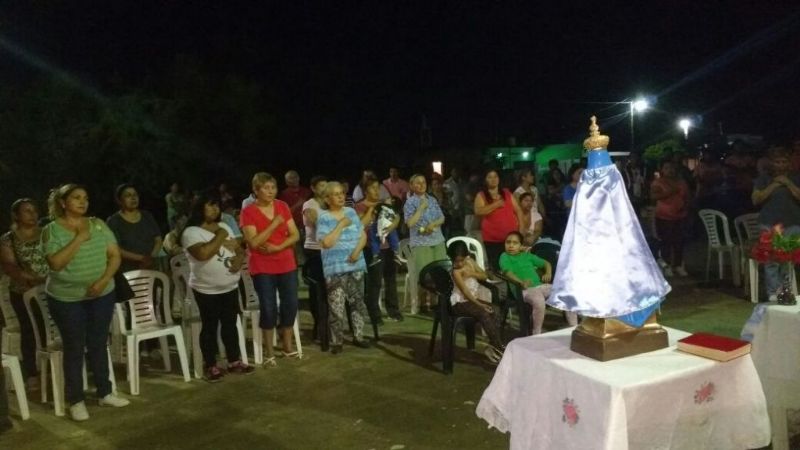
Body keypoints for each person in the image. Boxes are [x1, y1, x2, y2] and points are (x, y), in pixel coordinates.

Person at [42, 184, 130, 421]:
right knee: (74, 346)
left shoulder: (99, 225)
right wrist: (79, 237)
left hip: (101, 293)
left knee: (99, 342)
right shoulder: (51, 230)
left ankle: (105, 392)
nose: (83, 202)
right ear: (63, 203)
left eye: (86, 198)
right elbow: (56, 264)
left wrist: (102, 281)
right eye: (76, 198)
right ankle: (76, 400)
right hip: (67, 299)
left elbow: (114, 256)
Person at [180, 192, 253, 382]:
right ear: (199, 208)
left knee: (230, 323)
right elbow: (203, 253)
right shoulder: (191, 232)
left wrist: (238, 259)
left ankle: (234, 360)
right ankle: (210, 364)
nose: (215, 209)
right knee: (210, 326)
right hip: (206, 289)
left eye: (217, 205)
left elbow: (239, 249)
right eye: (210, 205)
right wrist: (220, 235)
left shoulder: (224, 225)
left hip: (229, 285)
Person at [240, 173, 301, 367]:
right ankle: (268, 352)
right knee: (268, 308)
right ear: (256, 190)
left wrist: (279, 247)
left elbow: (295, 234)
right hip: (262, 266)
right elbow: (254, 242)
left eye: (273, 187)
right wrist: (274, 224)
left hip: (286, 262)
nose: (270, 191)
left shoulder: (282, 206)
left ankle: (287, 347)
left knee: (290, 303)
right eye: (266, 188)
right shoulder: (248, 211)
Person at [316, 182, 371, 353]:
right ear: (327, 198)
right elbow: (326, 242)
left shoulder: (351, 212)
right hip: (336, 268)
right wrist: (340, 225)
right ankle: (337, 341)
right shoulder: (323, 217)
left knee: (357, 302)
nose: (341, 196)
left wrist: (356, 251)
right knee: (336, 306)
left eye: (342, 193)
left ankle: (359, 336)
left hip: (356, 264)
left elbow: (362, 235)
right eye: (336, 194)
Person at [0, 198, 49, 390]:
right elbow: (10, 267)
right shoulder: (8, 239)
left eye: (34, 210)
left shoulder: (46, 234)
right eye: (27, 211)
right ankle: (32, 373)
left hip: (49, 289)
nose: (32, 214)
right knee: (29, 330)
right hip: (23, 292)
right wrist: (32, 278)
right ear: (16, 216)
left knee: (50, 329)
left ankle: (50, 367)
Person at [499, 231, 577, 335]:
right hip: (523, 290)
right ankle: (536, 333)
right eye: (508, 242)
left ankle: (574, 328)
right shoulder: (504, 257)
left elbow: (546, 263)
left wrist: (548, 273)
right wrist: (521, 282)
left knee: (566, 293)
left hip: (539, 286)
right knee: (539, 299)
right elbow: (508, 273)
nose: (511, 245)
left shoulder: (527, 256)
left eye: (515, 243)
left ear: (521, 246)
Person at [752, 146, 800, 300]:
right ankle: (773, 291)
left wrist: (787, 183)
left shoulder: (796, 177)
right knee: (771, 259)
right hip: (768, 222)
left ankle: (786, 290)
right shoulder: (764, 178)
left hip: (792, 223)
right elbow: (756, 199)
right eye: (777, 161)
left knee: (787, 259)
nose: (780, 164)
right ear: (772, 163)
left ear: (789, 162)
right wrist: (774, 185)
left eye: (783, 161)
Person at [448, 240, 504, 364]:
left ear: (466, 256)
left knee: (496, 309)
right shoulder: (455, 272)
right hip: (460, 302)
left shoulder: (470, 262)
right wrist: (481, 304)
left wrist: (472, 273)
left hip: (473, 300)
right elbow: (465, 292)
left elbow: (484, 276)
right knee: (483, 313)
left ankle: (492, 347)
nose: (459, 263)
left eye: (461, 260)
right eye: (456, 261)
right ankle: (499, 347)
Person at [355, 177, 403, 323]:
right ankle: (374, 314)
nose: (377, 191)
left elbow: (396, 216)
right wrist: (372, 209)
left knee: (390, 279)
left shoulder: (384, 204)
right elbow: (360, 224)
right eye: (373, 188)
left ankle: (393, 310)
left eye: (378, 187)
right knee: (374, 281)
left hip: (387, 246)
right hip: (371, 248)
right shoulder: (359, 206)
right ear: (365, 191)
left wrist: (391, 226)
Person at [404, 174, 447, 312]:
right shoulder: (410, 202)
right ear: (411, 186)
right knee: (424, 275)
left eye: (423, 182)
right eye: (418, 183)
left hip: (437, 240)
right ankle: (423, 304)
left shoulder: (432, 199)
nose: (422, 185)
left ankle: (437, 303)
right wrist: (421, 208)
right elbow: (410, 223)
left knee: (440, 273)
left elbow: (442, 218)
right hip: (421, 243)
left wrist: (433, 224)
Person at [474, 169, 524, 270]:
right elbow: (478, 211)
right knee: (498, 268)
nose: (493, 179)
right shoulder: (481, 195)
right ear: (485, 180)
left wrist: (521, 230)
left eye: (495, 176)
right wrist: (496, 204)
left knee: (514, 266)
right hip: (492, 240)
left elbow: (518, 210)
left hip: (511, 238)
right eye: (490, 177)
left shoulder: (506, 193)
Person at [106, 184, 162, 273]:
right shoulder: (113, 221)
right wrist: (141, 258)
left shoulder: (147, 216)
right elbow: (116, 249)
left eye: (135, 195)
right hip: (129, 270)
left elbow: (158, 239)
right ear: (119, 200)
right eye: (128, 195)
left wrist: (152, 257)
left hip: (152, 266)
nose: (133, 198)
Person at [650, 161, 690, 277]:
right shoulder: (657, 183)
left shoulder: (681, 182)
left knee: (679, 242)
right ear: (662, 170)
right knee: (666, 242)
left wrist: (686, 209)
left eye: (672, 168)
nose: (670, 170)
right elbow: (653, 197)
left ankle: (678, 265)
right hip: (664, 217)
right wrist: (670, 192)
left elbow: (687, 197)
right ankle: (666, 265)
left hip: (680, 216)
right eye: (667, 168)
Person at [302, 175, 328, 341]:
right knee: (317, 290)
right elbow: (317, 223)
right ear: (313, 188)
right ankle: (318, 326)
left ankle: (329, 325)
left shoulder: (330, 203)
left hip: (330, 250)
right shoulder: (309, 204)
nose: (324, 189)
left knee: (330, 290)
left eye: (327, 185)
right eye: (321, 186)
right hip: (314, 251)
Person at [279, 170, 312, 267]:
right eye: (290, 178)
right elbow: (284, 213)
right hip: (293, 228)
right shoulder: (283, 195)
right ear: (286, 181)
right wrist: (298, 204)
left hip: (308, 226)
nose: (294, 179)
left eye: (295, 177)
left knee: (310, 253)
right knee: (298, 255)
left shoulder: (307, 191)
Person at [443, 167, 466, 236]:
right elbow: (444, 193)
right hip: (452, 206)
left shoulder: (461, 181)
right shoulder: (447, 182)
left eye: (457, 172)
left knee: (463, 225)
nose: (456, 173)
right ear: (451, 173)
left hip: (461, 206)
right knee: (451, 225)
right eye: (454, 172)